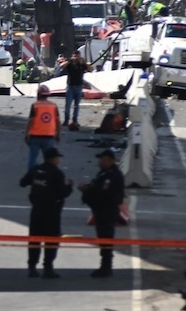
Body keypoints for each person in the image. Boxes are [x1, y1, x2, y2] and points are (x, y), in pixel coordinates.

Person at [20, 147, 73, 278]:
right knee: (51, 240)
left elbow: (23, 182)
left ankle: (32, 267)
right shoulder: (57, 173)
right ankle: (48, 268)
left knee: (34, 239)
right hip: (52, 211)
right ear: (54, 159)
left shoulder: (35, 169)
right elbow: (62, 193)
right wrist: (70, 187)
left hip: (37, 209)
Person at [80, 150, 125, 278]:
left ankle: (106, 267)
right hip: (101, 210)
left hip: (107, 211)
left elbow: (103, 192)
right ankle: (105, 266)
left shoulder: (112, 175)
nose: (101, 162)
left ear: (111, 161)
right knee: (103, 239)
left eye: (104, 159)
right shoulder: (104, 174)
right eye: (100, 159)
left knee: (106, 239)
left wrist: (89, 191)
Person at [25, 84, 61, 171]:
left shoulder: (35, 105)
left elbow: (31, 121)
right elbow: (58, 121)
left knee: (32, 158)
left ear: (39, 94)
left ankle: (31, 177)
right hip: (49, 136)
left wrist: (26, 134)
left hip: (35, 136)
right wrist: (58, 134)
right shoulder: (53, 106)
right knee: (49, 160)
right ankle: (49, 177)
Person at [63, 51, 89, 128]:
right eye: (75, 56)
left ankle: (75, 120)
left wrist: (84, 62)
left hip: (79, 86)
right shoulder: (69, 64)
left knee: (76, 105)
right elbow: (61, 66)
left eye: (77, 56)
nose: (76, 58)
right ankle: (66, 120)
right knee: (68, 104)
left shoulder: (82, 65)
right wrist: (69, 60)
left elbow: (90, 69)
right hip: (70, 86)